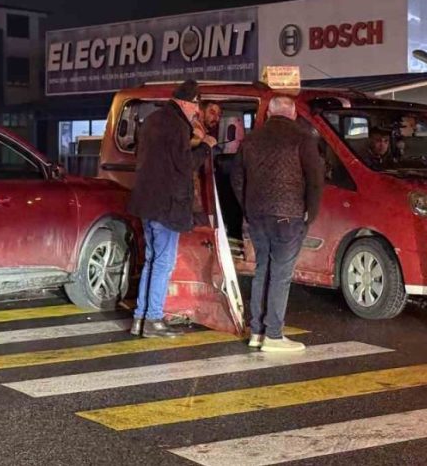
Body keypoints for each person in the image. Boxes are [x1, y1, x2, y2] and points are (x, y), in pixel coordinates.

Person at [231, 96, 325, 352]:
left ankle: (257, 332)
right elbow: (315, 180)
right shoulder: (303, 138)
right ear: (293, 114)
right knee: (281, 275)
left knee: (262, 269)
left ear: (270, 114)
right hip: (289, 216)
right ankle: (274, 334)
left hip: (257, 215)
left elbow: (236, 177)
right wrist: (310, 214)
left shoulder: (251, 139)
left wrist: (247, 208)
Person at [128, 80, 216, 338]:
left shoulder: (153, 120)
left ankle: (139, 319)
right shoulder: (178, 126)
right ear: (187, 102)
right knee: (164, 262)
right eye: (196, 106)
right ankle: (154, 319)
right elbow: (184, 164)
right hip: (167, 205)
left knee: (151, 260)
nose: (197, 112)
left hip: (147, 202)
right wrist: (206, 147)